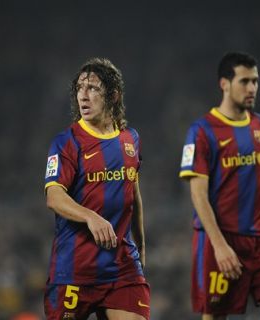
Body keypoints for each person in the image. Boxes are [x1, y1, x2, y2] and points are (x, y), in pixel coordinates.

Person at [179, 52, 260, 320]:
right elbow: (198, 195)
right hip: (221, 239)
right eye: (244, 81)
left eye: (255, 81)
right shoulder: (202, 131)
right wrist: (220, 246)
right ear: (224, 84)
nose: (252, 88)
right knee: (215, 316)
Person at [43, 58, 150, 320]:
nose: (83, 95)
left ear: (113, 95)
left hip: (122, 268)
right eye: (79, 88)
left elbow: (133, 194)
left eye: (92, 88)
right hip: (75, 270)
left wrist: (142, 247)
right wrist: (91, 217)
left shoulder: (130, 140)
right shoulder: (67, 142)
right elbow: (54, 196)